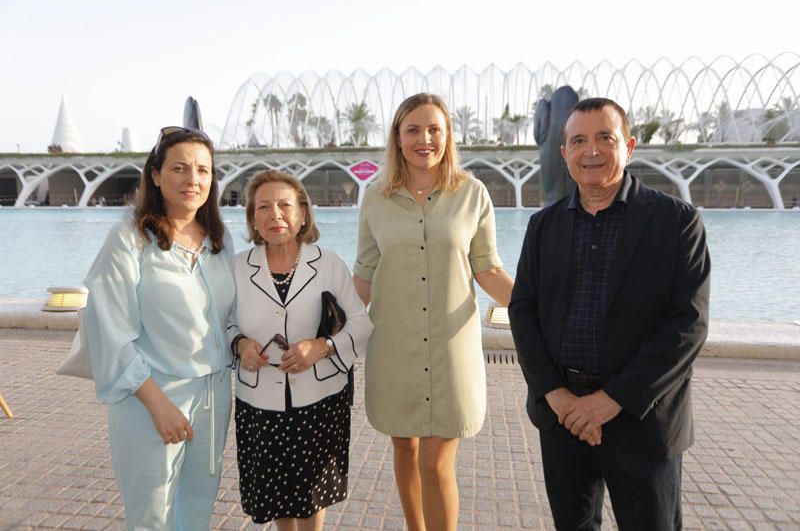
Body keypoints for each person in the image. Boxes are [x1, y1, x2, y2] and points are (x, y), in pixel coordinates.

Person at [509, 97, 711, 530]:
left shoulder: (676, 222)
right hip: (562, 419)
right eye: (578, 140)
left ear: (630, 145)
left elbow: (687, 325)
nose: (592, 151)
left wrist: (611, 400)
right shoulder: (543, 228)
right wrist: (557, 397)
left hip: (643, 419)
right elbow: (523, 313)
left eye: (605, 137)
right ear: (564, 153)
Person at [354, 93, 514, 531]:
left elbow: (488, 268)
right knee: (404, 451)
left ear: (447, 136)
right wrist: (323, 329)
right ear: (398, 138)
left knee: (436, 461)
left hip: (452, 349)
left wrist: (537, 309)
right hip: (394, 347)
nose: (424, 139)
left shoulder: (472, 193)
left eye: (434, 130)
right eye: (413, 130)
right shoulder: (375, 198)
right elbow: (365, 272)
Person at [83, 126, 235, 530]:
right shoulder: (129, 240)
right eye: (180, 168)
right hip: (150, 397)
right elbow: (110, 332)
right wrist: (158, 405)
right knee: (153, 516)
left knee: (197, 509)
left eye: (203, 170)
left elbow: (229, 319)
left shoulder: (220, 241)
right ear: (155, 174)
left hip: (213, 397)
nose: (193, 180)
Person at [227, 170, 373, 531]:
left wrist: (321, 346)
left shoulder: (328, 263)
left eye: (284, 205)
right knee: (276, 493)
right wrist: (241, 344)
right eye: (263, 207)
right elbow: (225, 324)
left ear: (303, 214)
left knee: (311, 495)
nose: (275, 215)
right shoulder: (237, 268)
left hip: (319, 400)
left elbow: (361, 322)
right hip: (261, 402)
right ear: (252, 219)